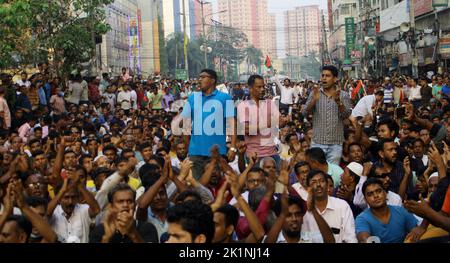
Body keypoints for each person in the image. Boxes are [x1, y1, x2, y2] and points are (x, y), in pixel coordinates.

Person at [180, 69, 237, 180]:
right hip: (195, 153)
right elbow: (185, 125)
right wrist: (188, 147)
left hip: (216, 153)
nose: (199, 79)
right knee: (197, 188)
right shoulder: (192, 97)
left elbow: (232, 124)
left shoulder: (225, 98)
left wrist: (233, 148)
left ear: (212, 80)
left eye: (203, 77)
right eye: (199, 77)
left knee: (216, 185)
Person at [302, 65, 352, 165]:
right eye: (323, 75)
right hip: (317, 142)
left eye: (328, 76)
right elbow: (304, 113)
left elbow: (346, 116)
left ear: (335, 78)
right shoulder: (314, 93)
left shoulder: (343, 95)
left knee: (332, 173)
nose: (324, 78)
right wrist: (313, 101)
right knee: (317, 172)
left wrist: (338, 102)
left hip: (336, 143)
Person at [89, 183, 158, 243]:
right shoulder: (99, 231)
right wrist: (107, 238)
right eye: (120, 201)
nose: (125, 205)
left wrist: (133, 234)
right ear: (111, 206)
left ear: (135, 205)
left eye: (130, 201)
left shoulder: (148, 228)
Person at [356, 178, 419, 243]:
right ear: (365, 199)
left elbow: (416, 231)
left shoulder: (401, 211)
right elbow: (364, 239)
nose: (375, 196)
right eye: (370, 194)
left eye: (379, 191)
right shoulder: (362, 218)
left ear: (385, 193)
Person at [301, 170, 357, 243]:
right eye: (314, 182)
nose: (318, 184)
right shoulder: (303, 210)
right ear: (308, 188)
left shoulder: (342, 206)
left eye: (322, 181)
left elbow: (350, 238)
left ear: (327, 185)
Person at [48, 171, 101, 243]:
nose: (70, 202)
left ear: (78, 197)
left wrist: (80, 185)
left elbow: (96, 210)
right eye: (66, 197)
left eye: (73, 197)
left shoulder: (83, 210)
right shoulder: (54, 212)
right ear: (60, 198)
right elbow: (47, 214)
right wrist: (62, 190)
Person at [237, 75, 279, 163]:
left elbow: (280, 121)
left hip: (273, 153)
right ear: (250, 88)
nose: (263, 89)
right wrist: (267, 123)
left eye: (263, 86)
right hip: (254, 156)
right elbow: (247, 129)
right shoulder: (243, 106)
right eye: (259, 87)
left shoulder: (270, 103)